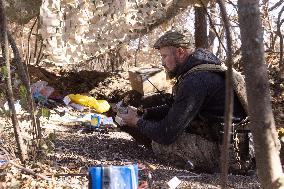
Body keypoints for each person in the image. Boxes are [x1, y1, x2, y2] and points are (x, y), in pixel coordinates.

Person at [118, 30, 254, 174]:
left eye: (164, 56)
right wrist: (143, 112)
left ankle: (221, 170)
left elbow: (166, 134)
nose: (163, 62)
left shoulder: (196, 80)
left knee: (160, 145)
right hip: (239, 146)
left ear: (180, 52)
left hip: (234, 157)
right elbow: (176, 107)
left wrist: (137, 122)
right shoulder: (203, 67)